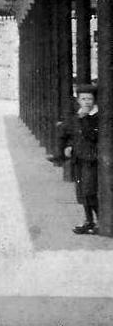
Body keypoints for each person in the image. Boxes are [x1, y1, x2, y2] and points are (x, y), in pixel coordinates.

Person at [64, 85, 100, 234]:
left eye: (90, 98)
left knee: (90, 191)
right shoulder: (78, 116)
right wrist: (70, 145)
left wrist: (84, 118)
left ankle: (100, 221)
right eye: (83, 98)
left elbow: (93, 136)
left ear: (94, 100)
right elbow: (73, 134)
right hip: (79, 158)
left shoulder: (97, 117)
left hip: (92, 160)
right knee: (82, 191)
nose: (87, 102)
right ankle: (89, 221)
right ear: (78, 100)